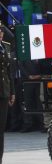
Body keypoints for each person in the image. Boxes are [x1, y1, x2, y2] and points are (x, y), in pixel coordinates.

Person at [0, 28, 15, 163]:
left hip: (4, 92)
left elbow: (10, 72)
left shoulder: (5, 47)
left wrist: (12, 92)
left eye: (0, 32)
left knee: (1, 127)